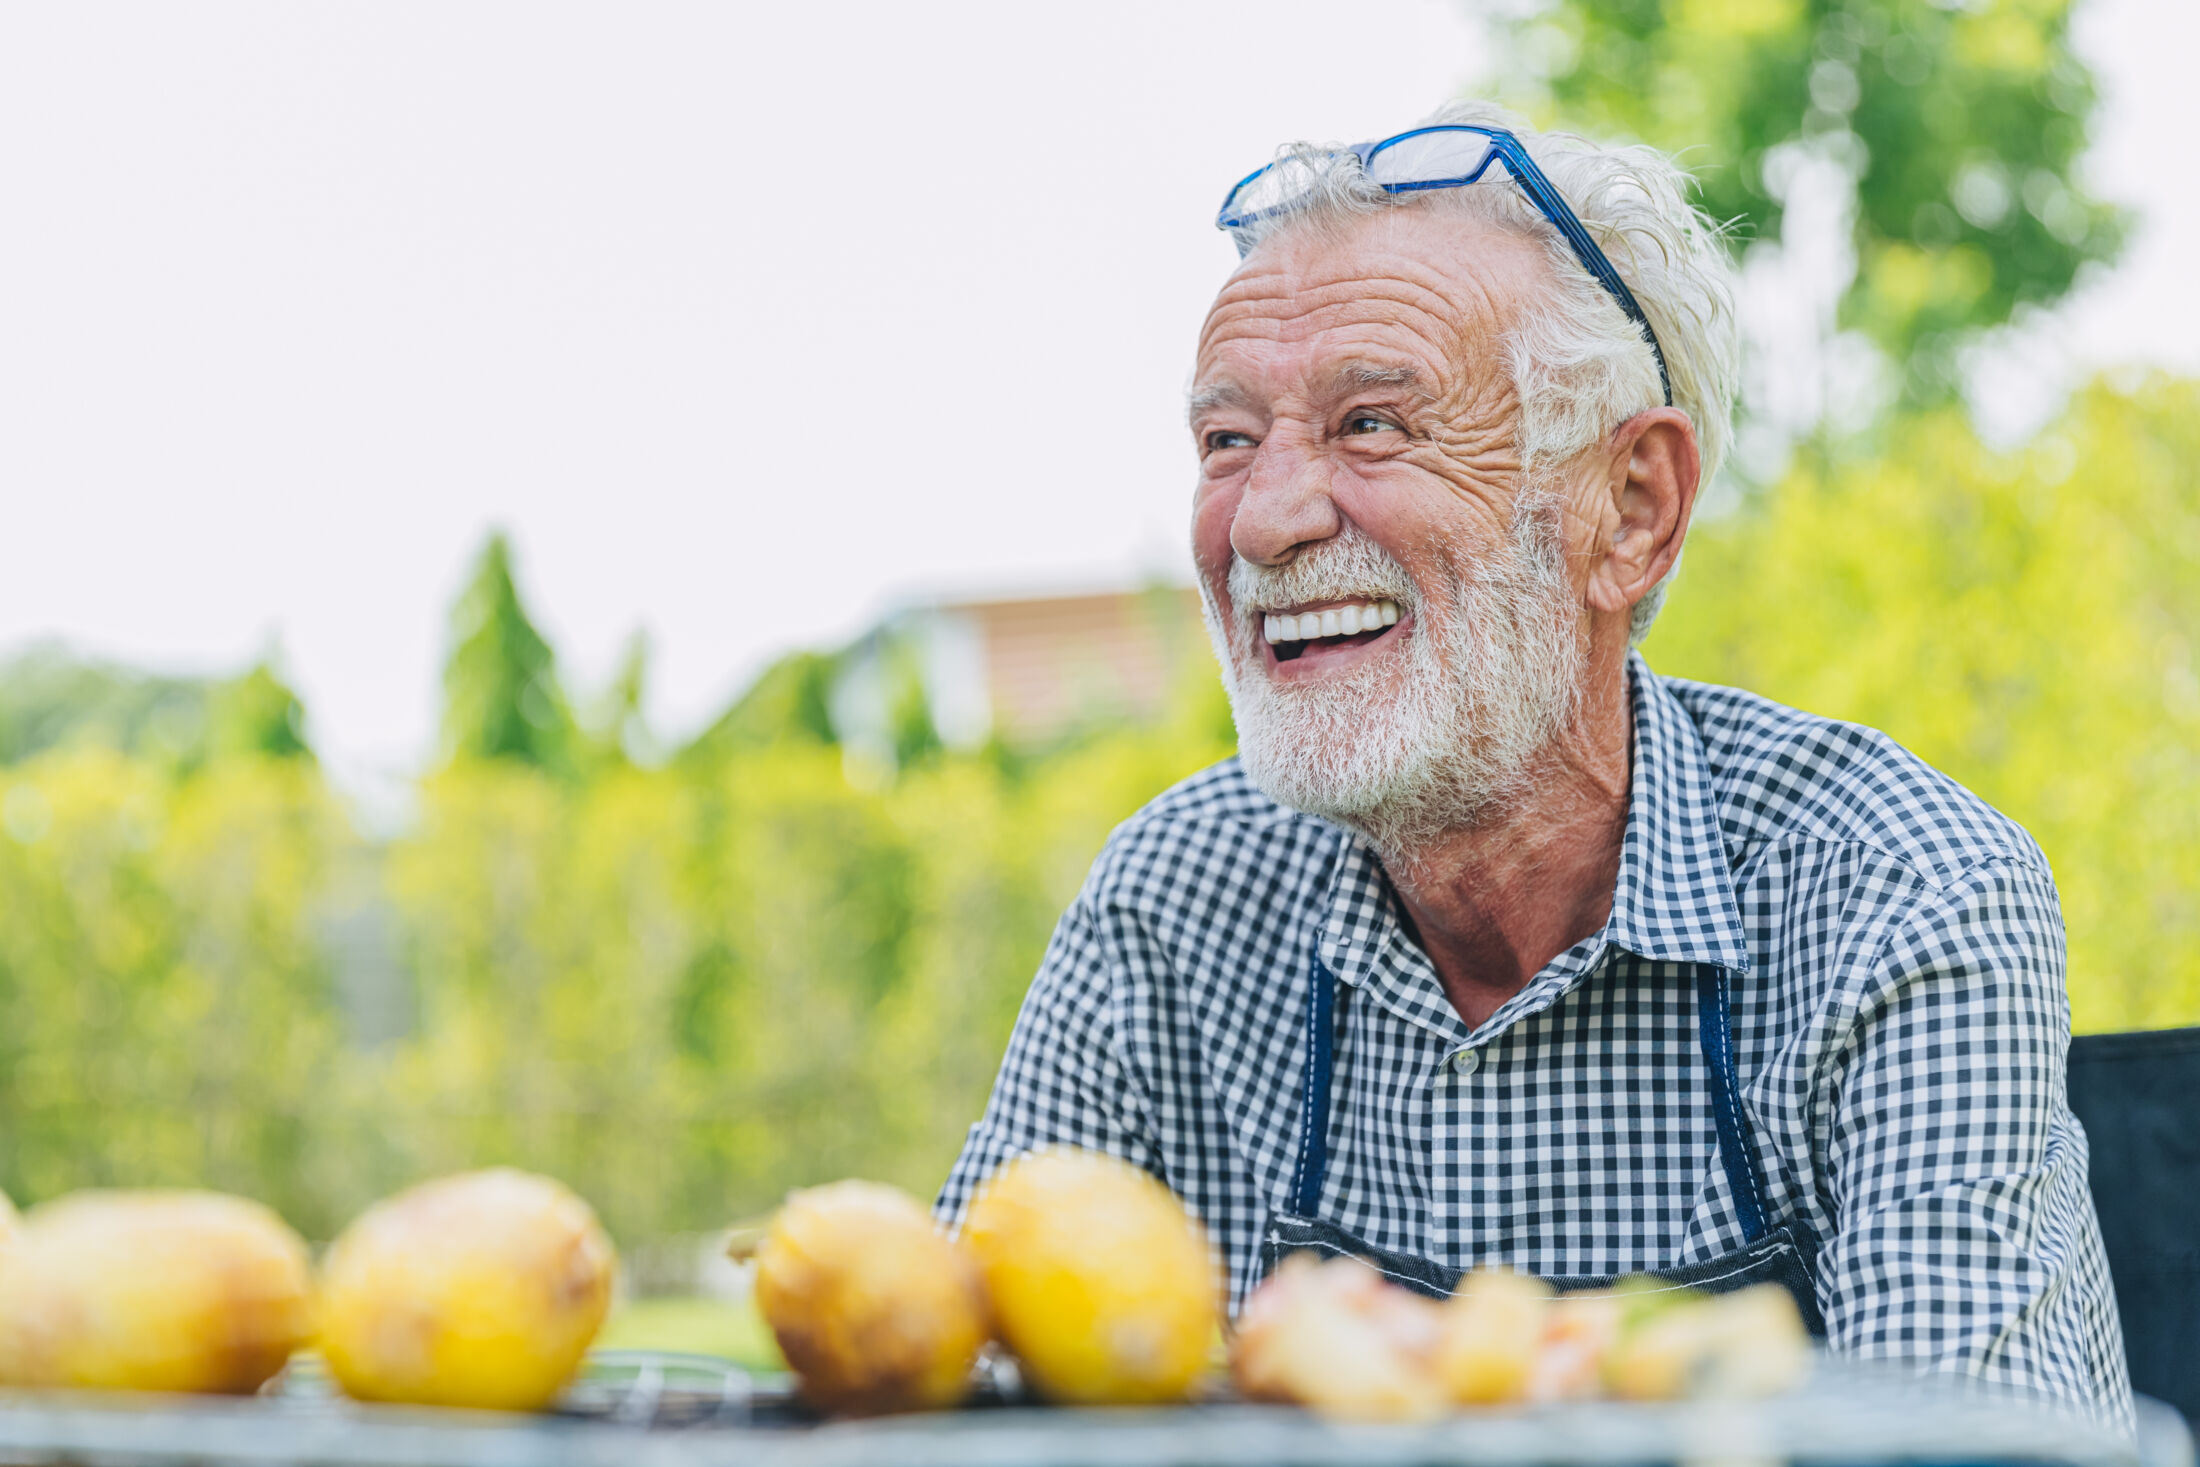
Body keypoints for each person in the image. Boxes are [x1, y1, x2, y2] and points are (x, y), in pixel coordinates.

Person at [936, 100, 2129, 1420]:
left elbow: (1945, 1459)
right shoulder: (1173, 900)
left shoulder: (1899, 895)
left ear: (1632, 510)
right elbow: (947, 1390)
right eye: (1227, 442)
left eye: (1372, 425)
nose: (1264, 521)